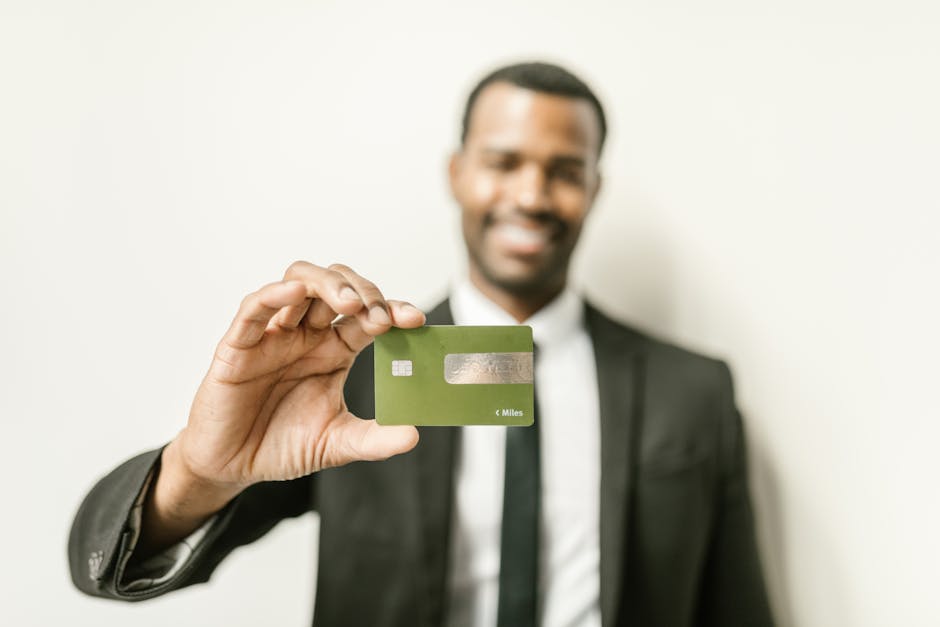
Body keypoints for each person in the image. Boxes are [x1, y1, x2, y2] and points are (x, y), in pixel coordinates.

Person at [69, 62, 775, 627]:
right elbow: (110, 565)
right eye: (504, 161)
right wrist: (200, 467)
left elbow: (739, 608)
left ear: (594, 187)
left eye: (564, 170)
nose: (531, 193)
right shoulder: (347, 371)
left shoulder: (696, 391)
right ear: (457, 173)